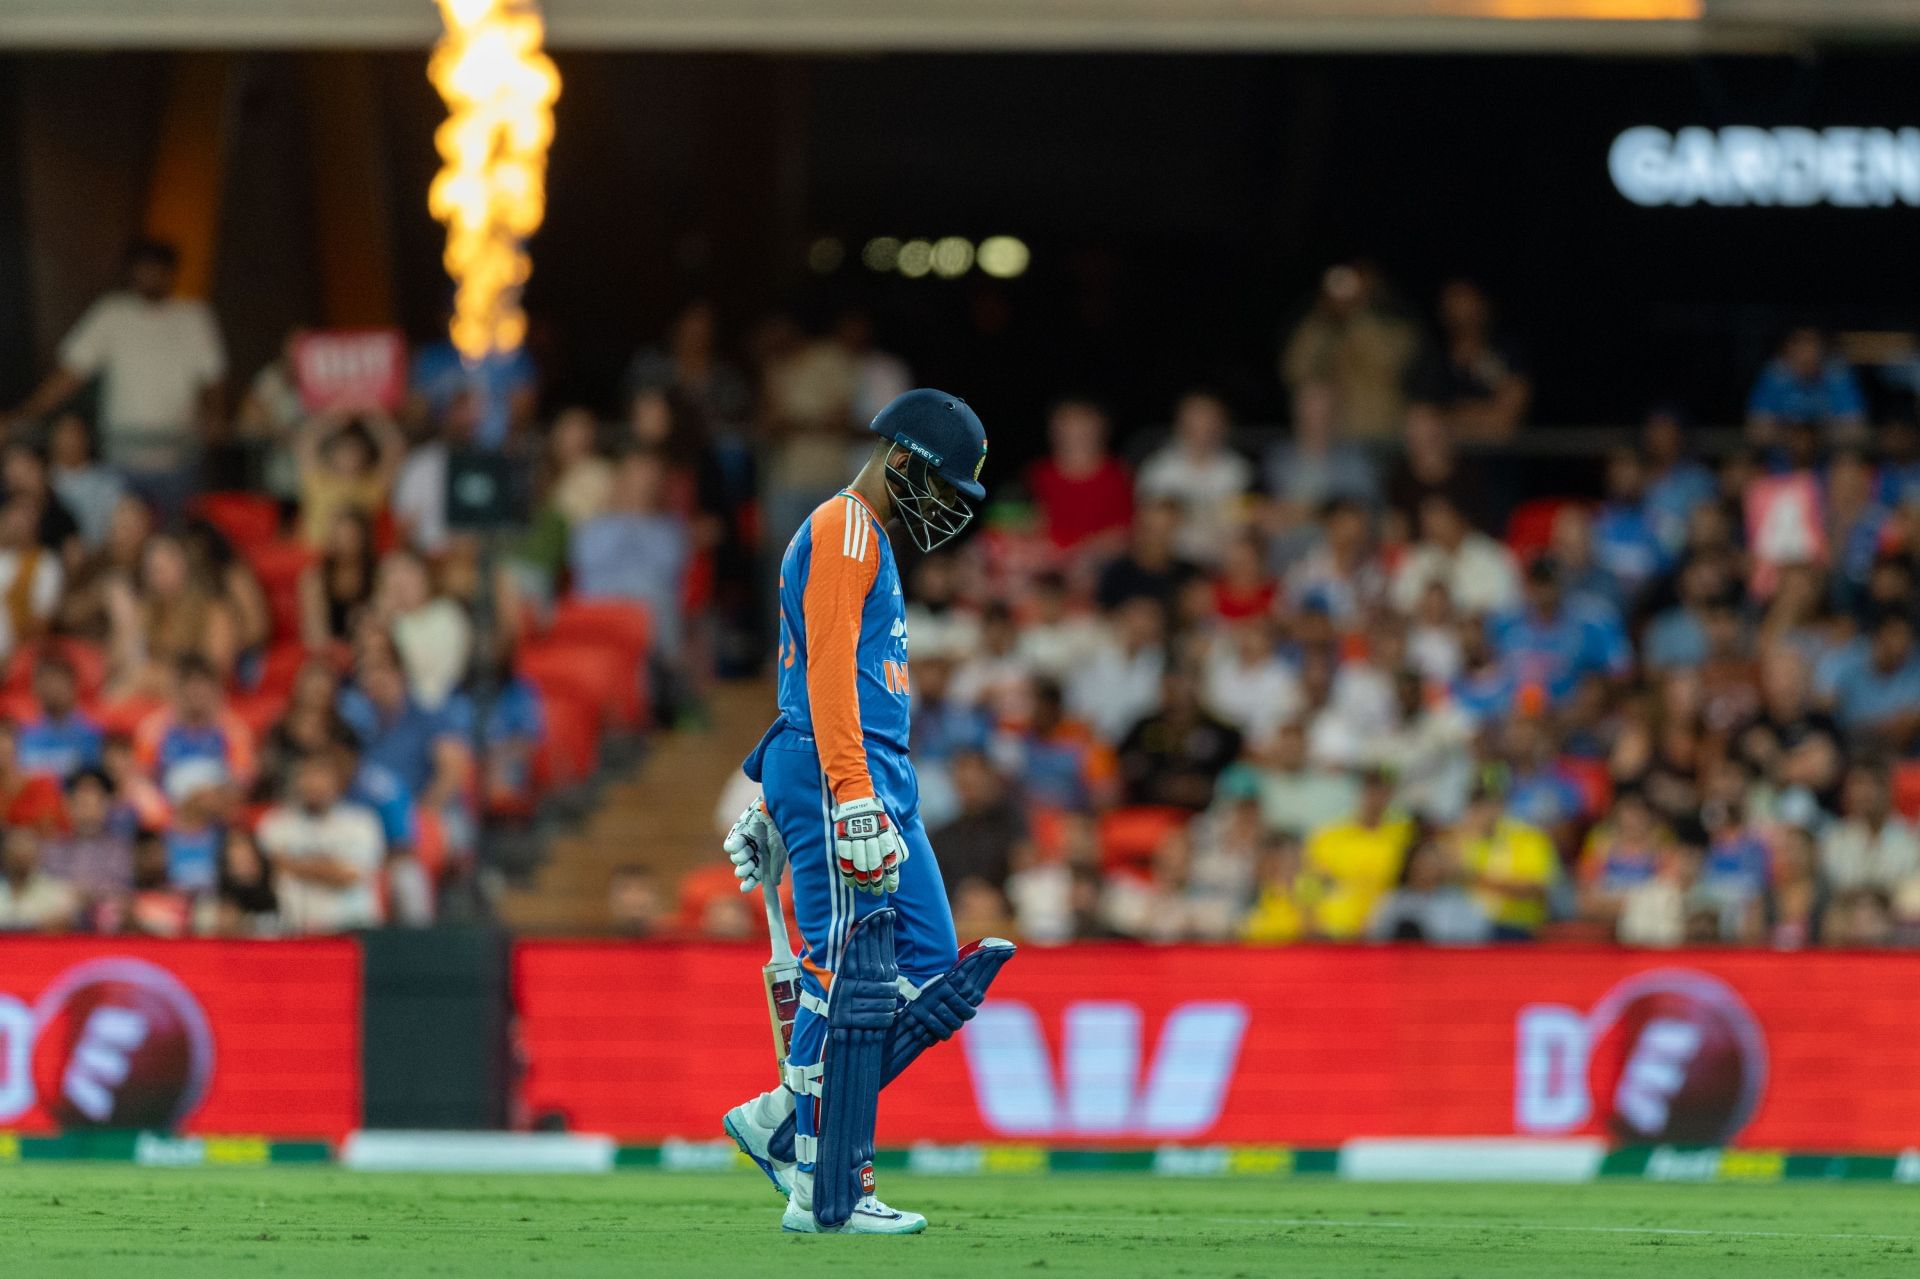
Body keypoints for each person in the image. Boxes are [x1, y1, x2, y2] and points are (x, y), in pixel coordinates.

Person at [719, 389, 1014, 1234]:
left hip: (869, 771)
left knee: (932, 977)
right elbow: (826, 675)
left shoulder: (862, 534)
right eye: (943, 485)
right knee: (844, 978)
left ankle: (786, 1119)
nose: (949, 509)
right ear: (901, 460)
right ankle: (826, 1182)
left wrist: (791, 787)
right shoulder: (847, 527)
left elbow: (817, 677)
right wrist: (843, 795)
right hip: (848, 772)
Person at [6, 239, 225, 519]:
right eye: (143, 269)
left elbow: (212, 378)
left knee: (175, 537)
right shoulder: (112, 313)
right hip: (121, 460)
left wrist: (215, 419)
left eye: (157, 269)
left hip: (178, 458)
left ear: (171, 272)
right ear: (131, 272)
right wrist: (25, 413)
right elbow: (70, 374)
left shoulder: (193, 316)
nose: (150, 276)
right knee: (117, 531)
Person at [256, 752, 385, 933]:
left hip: (351, 927)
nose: (313, 784)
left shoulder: (361, 822)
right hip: (293, 928)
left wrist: (293, 865)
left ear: (338, 782)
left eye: (321, 776)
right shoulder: (276, 823)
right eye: (306, 776)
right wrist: (326, 868)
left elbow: (348, 876)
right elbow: (267, 870)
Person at [1135, 391, 1253, 566]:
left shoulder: (1238, 471)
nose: (1202, 429)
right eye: (1195, 421)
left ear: (1223, 426)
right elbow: (1149, 526)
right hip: (1172, 558)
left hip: (1222, 557)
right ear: (1181, 425)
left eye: (1210, 421)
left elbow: (1242, 523)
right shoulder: (1159, 469)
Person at [1023, 399, 1133, 559]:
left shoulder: (1118, 475)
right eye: (1067, 427)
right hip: (1044, 557)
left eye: (1083, 427)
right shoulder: (1037, 474)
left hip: (1096, 562)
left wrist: (1079, 553)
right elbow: (1023, 521)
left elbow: (1124, 533)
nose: (1075, 435)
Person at [1746, 327, 1866, 447]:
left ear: (1823, 350)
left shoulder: (1837, 375)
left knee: (1847, 463)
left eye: (1812, 345)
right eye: (1800, 346)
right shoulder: (1775, 376)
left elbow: (1854, 431)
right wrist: (1795, 438)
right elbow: (1758, 432)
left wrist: (1812, 438)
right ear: (1788, 349)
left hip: (1826, 455)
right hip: (1782, 454)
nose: (1807, 353)